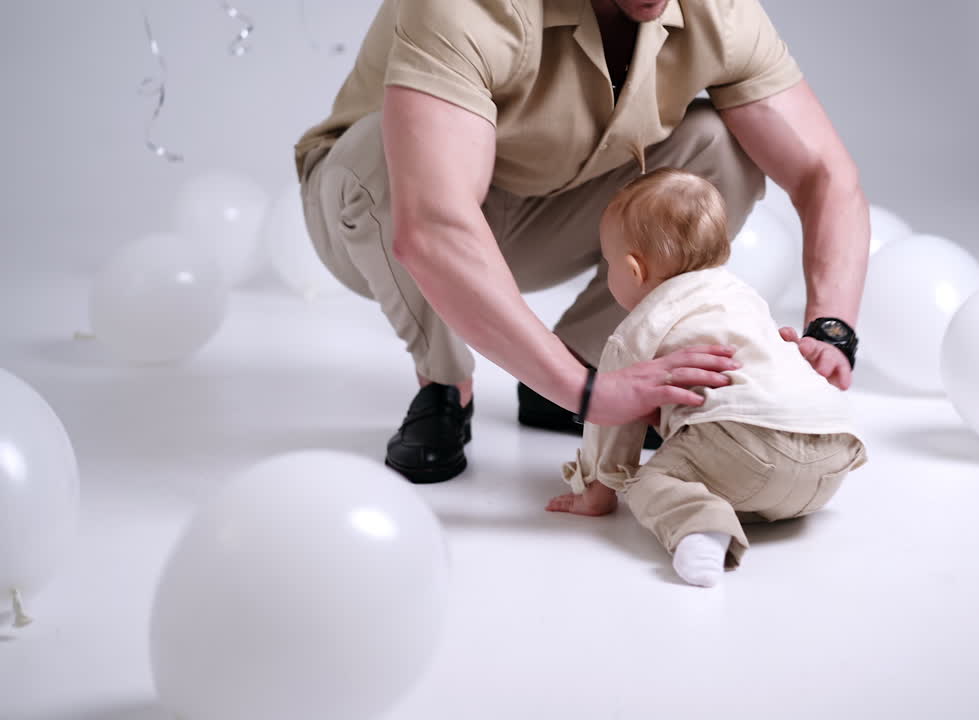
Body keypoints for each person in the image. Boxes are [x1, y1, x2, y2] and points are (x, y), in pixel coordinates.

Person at [295, 0, 870, 484]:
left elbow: (825, 174)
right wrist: (587, 395)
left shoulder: (720, 11)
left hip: (542, 216)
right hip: (375, 217)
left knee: (721, 144)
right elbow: (432, 225)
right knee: (387, 154)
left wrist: (831, 331)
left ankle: (584, 362)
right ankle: (445, 385)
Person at [546, 169, 867, 587]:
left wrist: (597, 490)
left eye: (609, 264)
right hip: (832, 459)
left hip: (750, 450)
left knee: (647, 481)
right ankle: (742, 503)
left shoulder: (639, 328)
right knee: (744, 473)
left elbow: (612, 420)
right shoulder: (744, 298)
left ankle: (701, 529)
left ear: (634, 269)